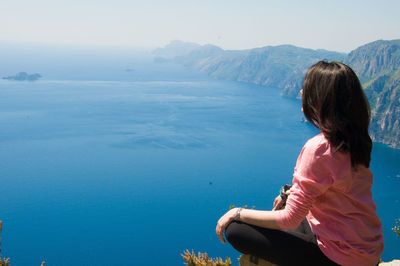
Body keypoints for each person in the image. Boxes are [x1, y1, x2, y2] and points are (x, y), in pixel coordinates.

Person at [216, 61, 384, 266]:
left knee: (236, 229)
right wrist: (288, 194)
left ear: (321, 99)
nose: (302, 91)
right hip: (367, 250)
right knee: (290, 209)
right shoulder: (355, 139)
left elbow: (290, 219)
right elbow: (334, 186)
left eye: (308, 87)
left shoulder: (320, 149)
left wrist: (237, 212)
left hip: (341, 259)